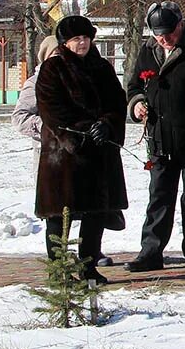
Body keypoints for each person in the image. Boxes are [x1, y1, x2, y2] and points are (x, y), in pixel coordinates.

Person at [34, 15, 128, 284]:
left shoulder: (101, 68)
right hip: (63, 155)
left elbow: (117, 102)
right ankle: (59, 271)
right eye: (76, 39)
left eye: (86, 38)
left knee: (95, 212)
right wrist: (77, 132)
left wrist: (107, 124)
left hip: (98, 152)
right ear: (65, 41)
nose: (82, 43)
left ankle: (88, 266)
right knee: (58, 214)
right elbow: (50, 108)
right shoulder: (53, 68)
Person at [125, 1, 185, 272]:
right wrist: (137, 102)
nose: (164, 39)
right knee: (159, 196)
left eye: (169, 33)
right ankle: (151, 252)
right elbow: (134, 86)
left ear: (181, 25)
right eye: (158, 34)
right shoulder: (148, 50)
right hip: (159, 137)